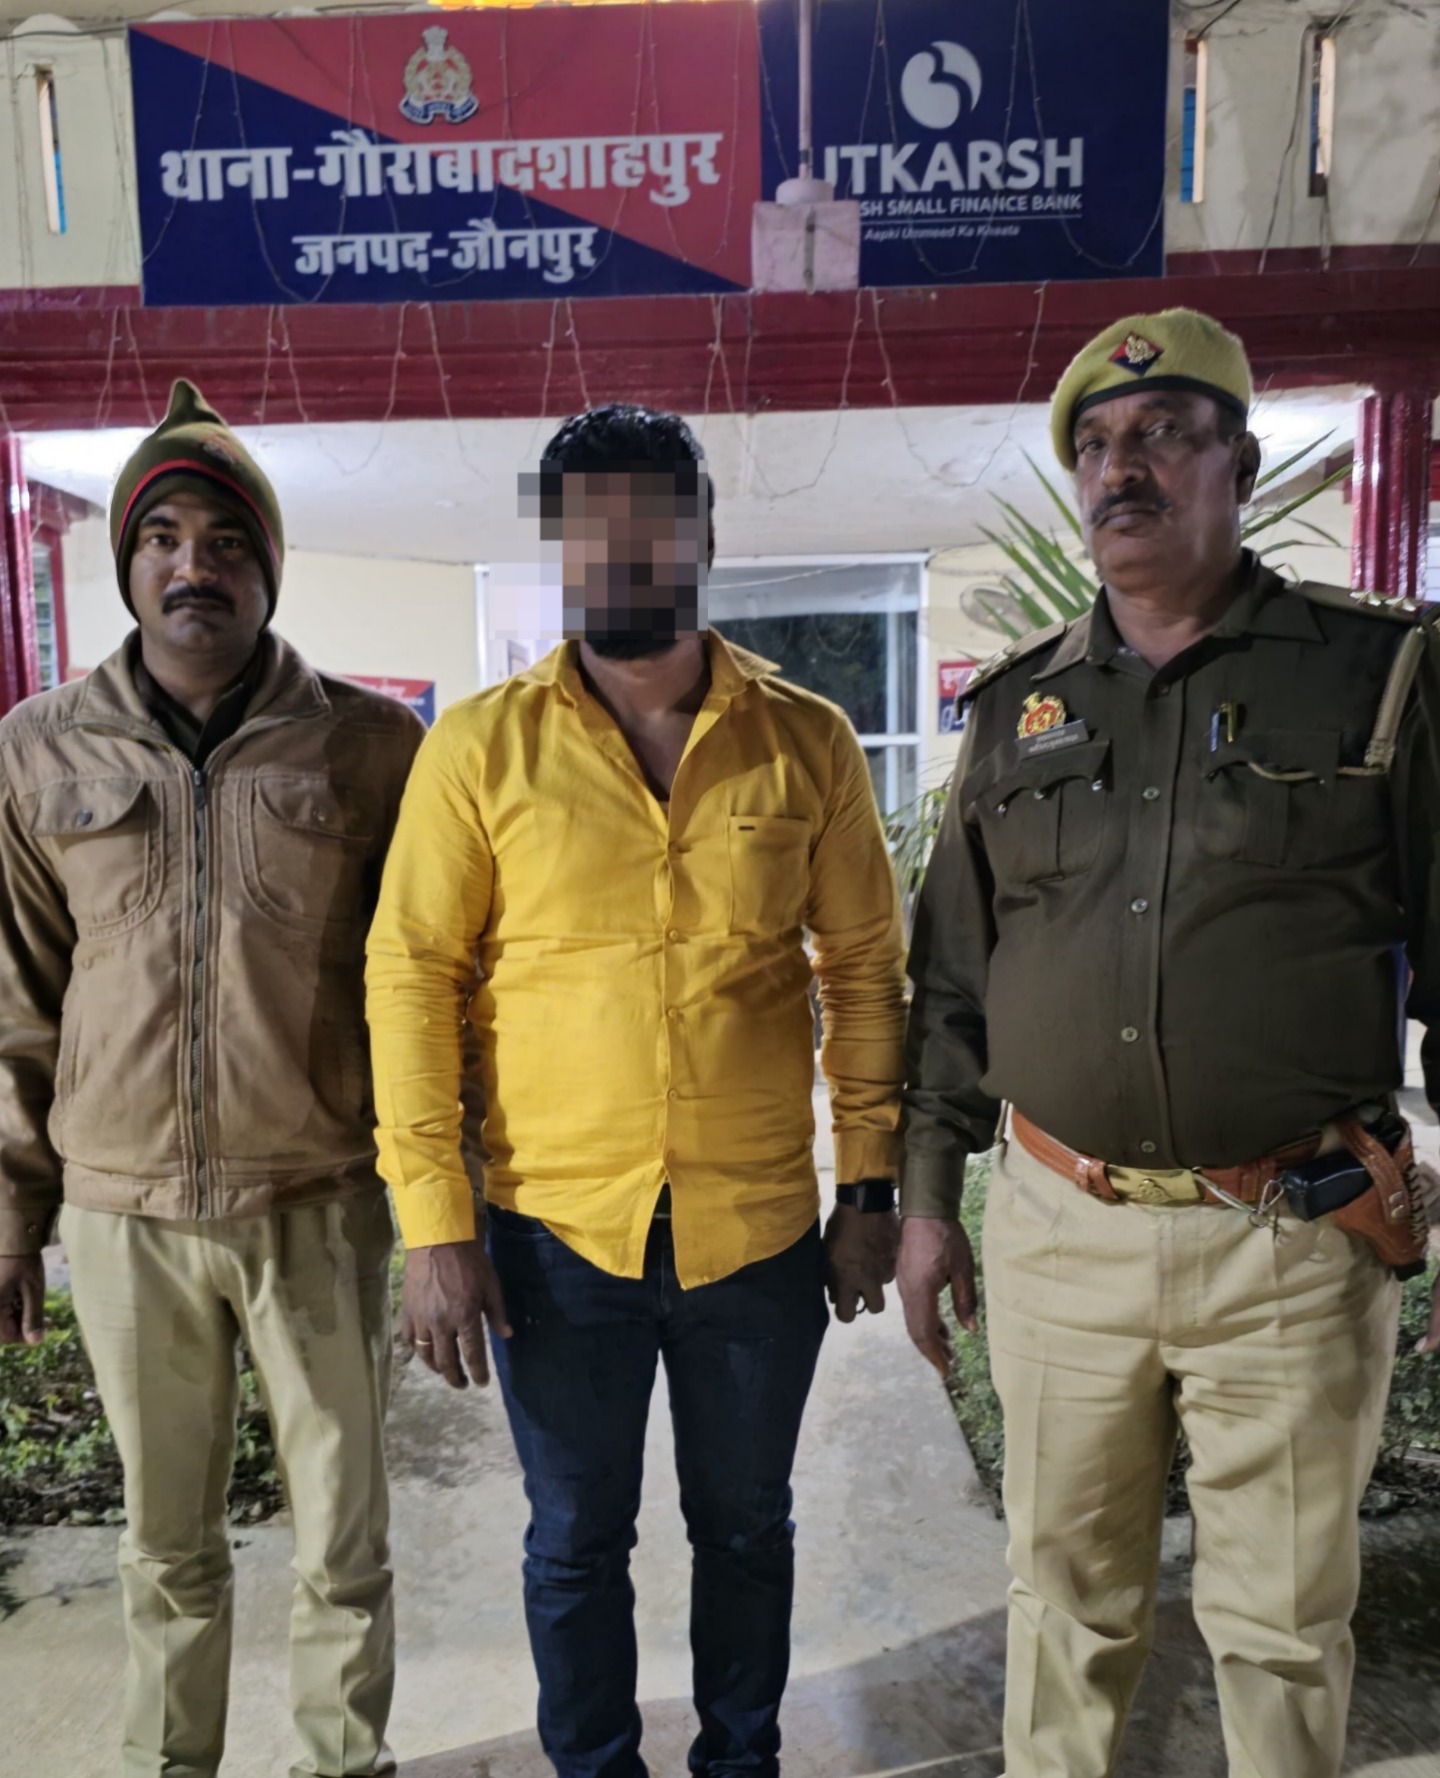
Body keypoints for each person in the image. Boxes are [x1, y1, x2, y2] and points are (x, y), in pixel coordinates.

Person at [896, 308, 1440, 1778]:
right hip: (1060, 1234)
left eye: (1161, 435)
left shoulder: (1379, 675)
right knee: (1063, 1614)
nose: (1120, 467)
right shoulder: (1015, 709)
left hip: (1293, 1242)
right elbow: (952, 981)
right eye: (1095, 445)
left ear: (1238, 468)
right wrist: (929, 1201)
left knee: (1282, 1630)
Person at [366, 403, 907, 1778]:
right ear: (558, 545)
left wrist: (869, 1188)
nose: (620, 549)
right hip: (553, 1237)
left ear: (702, 536)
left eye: (649, 518)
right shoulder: (479, 749)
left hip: (758, 1235)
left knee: (748, 1529)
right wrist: (434, 1224)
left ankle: (740, 1763)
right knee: (572, 1540)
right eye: (589, 523)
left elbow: (863, 974)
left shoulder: (807, 740)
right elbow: (412, 978)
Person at [0, 381, 424, 1778]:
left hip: (319, 1201)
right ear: (128, 564)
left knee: (343, 1540)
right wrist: (12, 1215)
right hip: (123, 1216)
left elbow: (424, 987)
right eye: (165, 537)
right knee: (166, 1544)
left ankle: (340, 1762)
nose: (197, 565)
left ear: (269, 568)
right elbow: (18, 996)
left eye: (229, 541)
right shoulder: (37, 749)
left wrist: (449, 1209)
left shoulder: (372, 746)